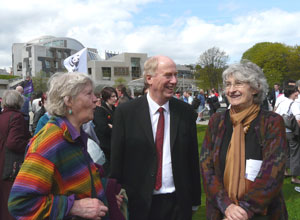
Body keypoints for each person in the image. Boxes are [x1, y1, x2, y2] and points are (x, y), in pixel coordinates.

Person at [8, 73, 123, 220]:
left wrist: (106, 193)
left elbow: (75, 182)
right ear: (68, 101)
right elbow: (20, 203)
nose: (96, 99)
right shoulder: (50, 141)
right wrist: (75, 207)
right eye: (89, 94)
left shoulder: (74, 135)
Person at [110, 55, 201, 220]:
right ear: (149, 78)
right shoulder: (126, 112)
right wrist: (113, 193)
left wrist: (195, 199)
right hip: (140, 202)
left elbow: (192, 159)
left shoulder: (186, 112)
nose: (174, 81)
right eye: (168, 75)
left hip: (178, 203)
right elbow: (117, 158)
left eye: (176, 75)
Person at [200, 61, 288, 220]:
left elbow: (273, 172)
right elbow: (207, 168)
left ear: (255, 88)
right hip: (221, 212)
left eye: (238, 84)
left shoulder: (272, 122)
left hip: (262, 213)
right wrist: (227, 206)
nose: (231, 90)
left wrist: (244, 210)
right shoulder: (216, 121)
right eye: (228, 84)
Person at [0, 90, 31, 220]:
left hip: (3, 161)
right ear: (19, 102)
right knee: (10, 201)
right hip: (10, 165)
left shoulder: (2, 116)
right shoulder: (17, 117)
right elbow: (14, 143)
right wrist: (29, 143)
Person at [275, 85, 300, 184]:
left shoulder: (282, 103)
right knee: (295, 154)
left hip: (282, 132)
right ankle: (294, 177)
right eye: (296, 92)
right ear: (293, 93)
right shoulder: (293, 104)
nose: (298, 93)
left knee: (285, 152)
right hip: (292, 133)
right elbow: (298, 119)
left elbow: (275, 115)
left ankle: (285, 171)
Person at [94, 87, 118, 176]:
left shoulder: (115, 109)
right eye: (112, 96)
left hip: (114, 144)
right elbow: (103, 128)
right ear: (106, 97)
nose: (115, 98)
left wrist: (113, 127)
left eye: (115, 96)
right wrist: (114, 128)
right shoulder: (100, 110)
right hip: (105, 146)